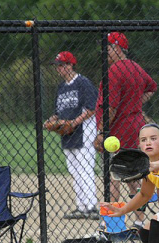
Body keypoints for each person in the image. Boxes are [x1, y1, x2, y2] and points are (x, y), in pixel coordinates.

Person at [93, 32, 159, 226]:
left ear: (117, 48)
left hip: (118, 129)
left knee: (114, 176)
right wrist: (136, 103)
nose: (104, 52)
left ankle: (114, 224)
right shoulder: (135, 68)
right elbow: (152, 87)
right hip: (136, 126)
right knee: (134, 176)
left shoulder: (114, 70)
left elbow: (110, 108)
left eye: (107, 48)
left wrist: (101, 132)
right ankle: (139, 221)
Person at [44, 51, 99, 219]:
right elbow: (58, 112)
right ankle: (81, 206)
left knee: (85, 168)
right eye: (57, 66)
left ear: (70, 65)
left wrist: (73, 123)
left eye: (61, 65)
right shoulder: (61, 88)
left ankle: (91, 207)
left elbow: (92, 108)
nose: (58, 69)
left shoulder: (83, 83)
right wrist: (50, 121)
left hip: (85, 131)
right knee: (74, 170)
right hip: (68, 134)